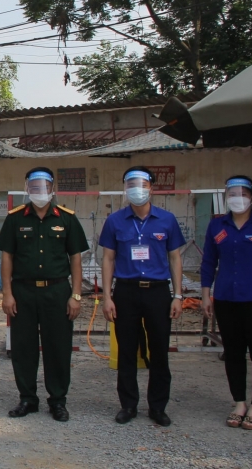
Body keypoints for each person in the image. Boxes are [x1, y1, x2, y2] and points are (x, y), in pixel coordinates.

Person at [0, 168, 88, 422]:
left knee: (58, 347)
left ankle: (58, 401)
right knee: (23, 347)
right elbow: (7, 257)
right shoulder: (15, 219)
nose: (39, 191)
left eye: (44, 186)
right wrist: (7, 293)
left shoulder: (67, 219)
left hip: (57, 291)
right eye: (34, 187)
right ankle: (27, 398)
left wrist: (76, 296)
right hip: (23, 291)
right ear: (28, 189)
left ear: (52, 188)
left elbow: (76, 259)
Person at [100, 166, 186, 427]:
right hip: (125, 291)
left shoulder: (167, 220)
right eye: (131, 184)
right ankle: (128, 405)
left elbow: (174, 258)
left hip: (158, 292)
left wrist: (178, 295)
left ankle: (157, 407)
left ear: (152, 187)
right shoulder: (114, 221)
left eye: (143, 184)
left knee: (159, 350)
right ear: (125, 188)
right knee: (127, 350)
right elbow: (108, 258)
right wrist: (107, 296)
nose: (137, 189)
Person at [200, 176, 252, 430]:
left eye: (243, 193)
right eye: (232, 193)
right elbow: (208, 263)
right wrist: (206, 294)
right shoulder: (217, 227)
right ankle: (239, 402)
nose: (238, 198)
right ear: (226, 196)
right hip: (227, 300)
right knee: (233, 354)